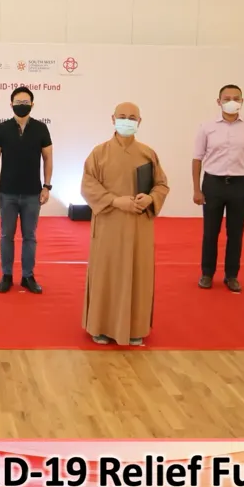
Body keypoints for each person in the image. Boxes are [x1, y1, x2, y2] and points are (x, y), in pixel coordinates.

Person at [81, 102, 170, 347]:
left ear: (139, 122)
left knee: (137, 273)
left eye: (132, 117)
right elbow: (88, 186)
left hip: (138, 226)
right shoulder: (99, 153)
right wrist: (115, 201)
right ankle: (100, 326)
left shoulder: (147, 154)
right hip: (109, 223)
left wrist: (151, 197)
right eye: (122, 116)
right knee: (106, 273)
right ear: (113, 119)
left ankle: (134, 327)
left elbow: (161, 185)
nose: (127, 121)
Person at [192, 84, 244, 293]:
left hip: (239, 185)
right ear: (219, 101)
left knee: (236, 233)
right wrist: (197, 189)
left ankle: (231, 276)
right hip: (213, 183)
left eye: (236, 98)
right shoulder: (206, 127)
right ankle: (207, 273)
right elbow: (197, 159)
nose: (231, 101)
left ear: (242, 101)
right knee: (210, 232)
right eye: (227, 98)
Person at [0, 86, 53, 294]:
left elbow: (48, 158)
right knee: (6, 235)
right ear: (11, 104)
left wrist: (47, 186)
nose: (21, 106)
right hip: (7, 193)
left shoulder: (41, 129)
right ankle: (6, 275)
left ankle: (27, 276)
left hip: (33, 193)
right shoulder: (2, 128)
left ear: (32, 105)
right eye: (18, 102)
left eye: (26, 103)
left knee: (30, 236)